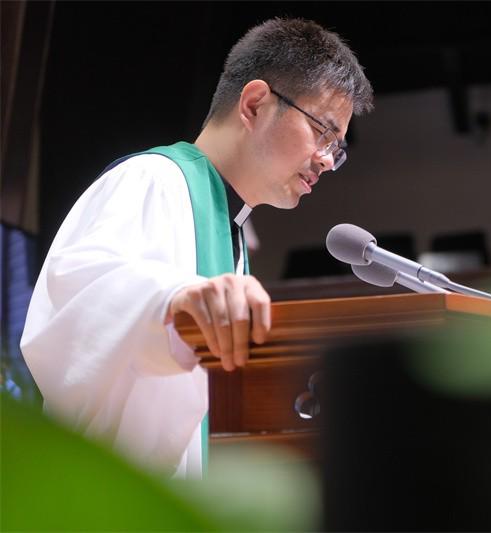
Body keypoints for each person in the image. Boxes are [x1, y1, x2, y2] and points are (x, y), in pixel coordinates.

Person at [20, 18, 373, 478]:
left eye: (337, 147)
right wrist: (172, 300)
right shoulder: (151, 180)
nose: (327, 160)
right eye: (323, 132)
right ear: (255, 104)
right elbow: (77, 298)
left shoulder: (232, 232)